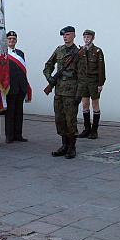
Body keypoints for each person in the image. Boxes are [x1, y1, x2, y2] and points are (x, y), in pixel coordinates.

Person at [44, 26, 80, 159]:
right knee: (59, 119)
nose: (65, 37)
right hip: (59, 90)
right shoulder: (59, 50)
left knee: (71, 120)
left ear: (74, 35)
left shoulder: (78, 53)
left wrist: (79, 94)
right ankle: (64, 145)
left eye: (68, 34)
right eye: (64, 35)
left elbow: (82, 76)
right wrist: (50, 78)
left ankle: (72, 147)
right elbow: (48, 65)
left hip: (71, 92)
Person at [77, 29, 105, 140]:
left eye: (88, 37)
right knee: (84, 104)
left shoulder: (97, 51)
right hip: (84, 81)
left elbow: (101, 68)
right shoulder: (81, 51)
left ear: (93, 38)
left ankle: (94, 130)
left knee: (95, 105)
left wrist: (100, 83)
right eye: (84, 37)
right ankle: (87, 129)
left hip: (94, 81)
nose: (86, 39)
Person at [5, 31, 30, 143]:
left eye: (14, 39)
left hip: (21, 86)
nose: (11, 40)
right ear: (6, 40)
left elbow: (23, 70)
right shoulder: (3, 53)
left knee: (19, 112)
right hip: (10, 87)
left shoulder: (20, 53)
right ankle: (9, 136)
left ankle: (18, 134)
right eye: (9, 38)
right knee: (10, 112)